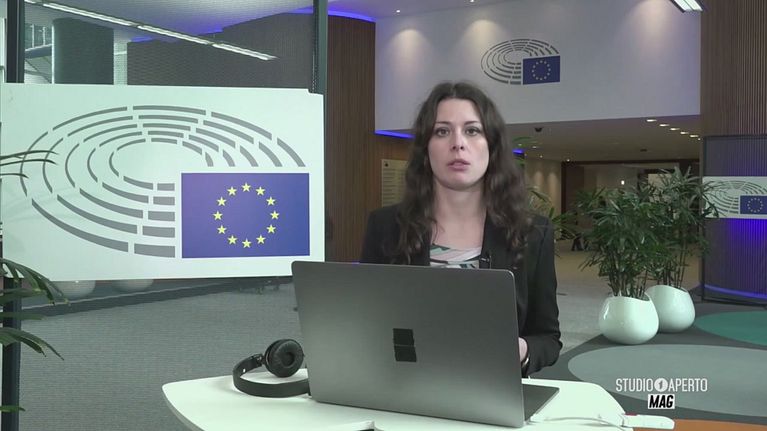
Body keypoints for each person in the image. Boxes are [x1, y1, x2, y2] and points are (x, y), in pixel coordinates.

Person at [360, 81, 561, 376]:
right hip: (403, 385)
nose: (458, 143)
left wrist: (520, 351)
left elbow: (548, 339)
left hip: (491, 387)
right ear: (426, 149)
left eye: (472, 130)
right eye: (442, 131)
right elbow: (366, 324)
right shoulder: (385, 226)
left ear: (491, 145)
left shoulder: (533, 233)